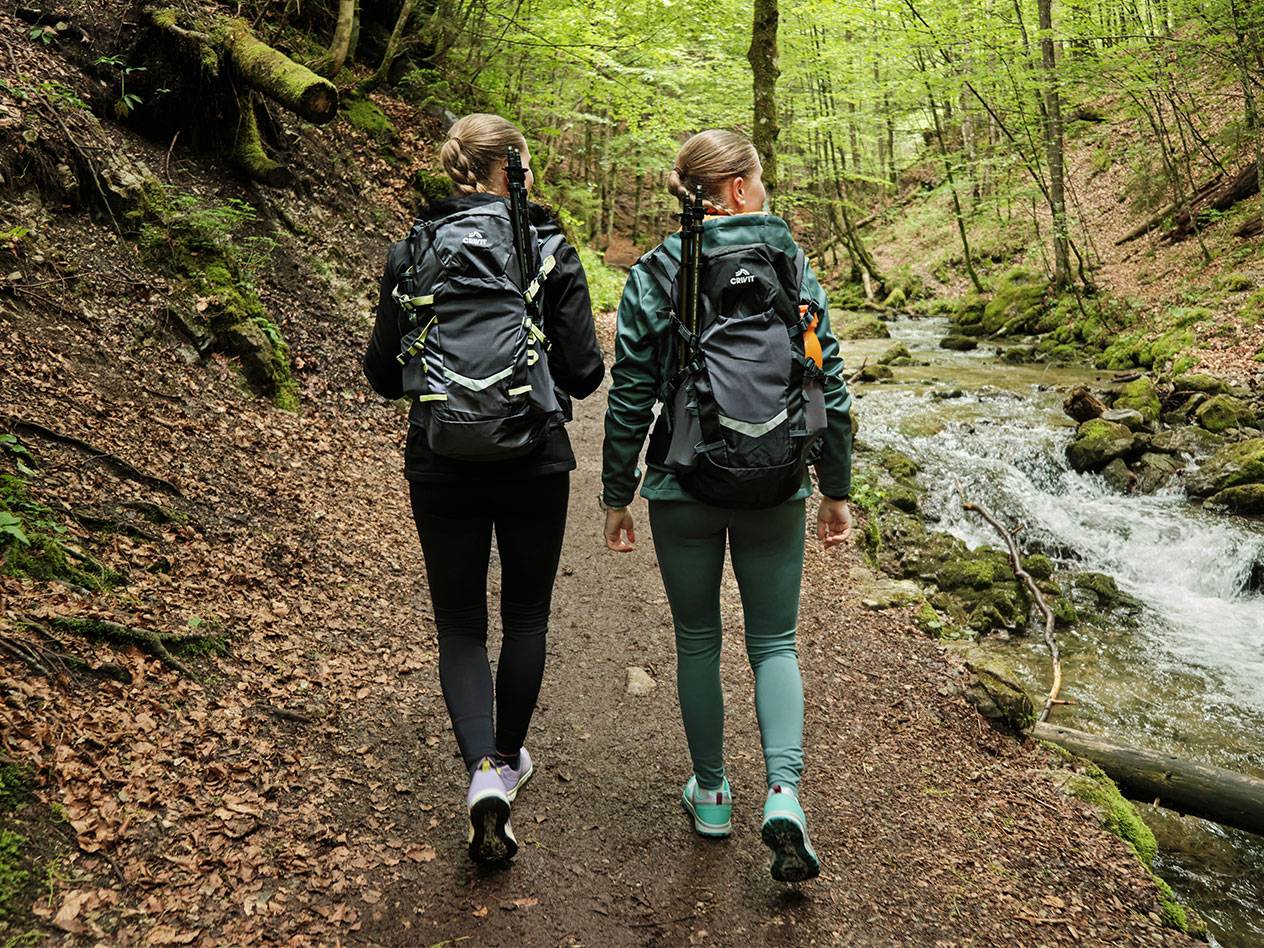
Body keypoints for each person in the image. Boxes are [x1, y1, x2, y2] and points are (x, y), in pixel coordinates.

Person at [600, 129, 853, 882]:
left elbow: (632, 392)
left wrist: (619, 493)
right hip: (778, 482)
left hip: (683, 482)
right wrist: (835, 487)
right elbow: (829, 384)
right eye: (761, 178)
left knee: (698, 638)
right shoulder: (792, 263)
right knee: (774, 643)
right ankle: (784, 794)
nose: (765, 189)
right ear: (737, 189)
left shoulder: (656, 271)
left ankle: (711, 794)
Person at [364, 113, 604, 864]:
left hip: (439, 460)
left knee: (461, 626)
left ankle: (481, 775)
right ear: (516, 167)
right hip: (534, 456)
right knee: (526, 614)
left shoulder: (414, 250)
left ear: (455, 169)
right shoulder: (549, 248)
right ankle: (505, 760)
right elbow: (586, 373)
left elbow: (378, 375)